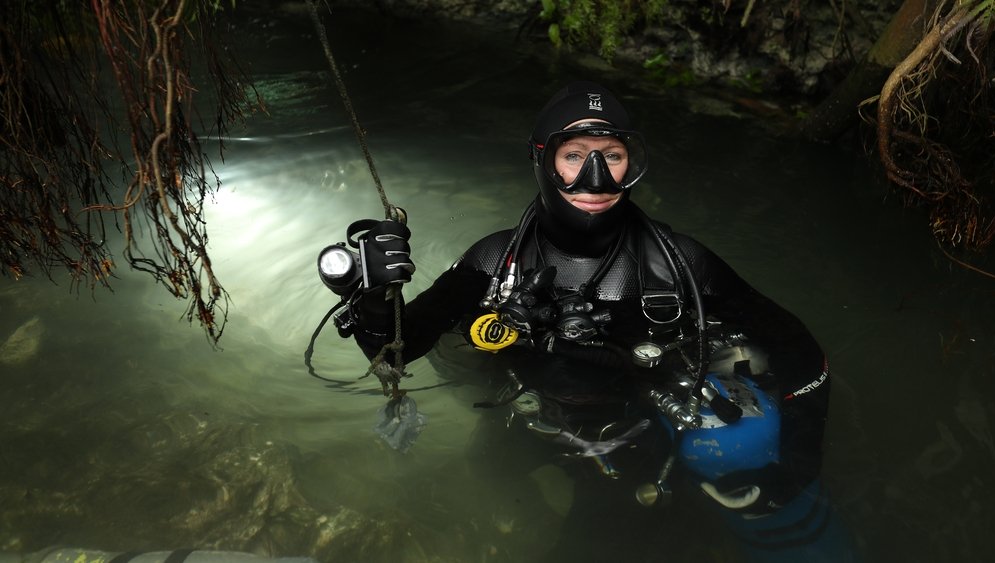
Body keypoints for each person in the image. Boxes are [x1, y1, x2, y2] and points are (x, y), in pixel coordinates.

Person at [318, 81, 840, 560]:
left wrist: (797, 467)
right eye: (574, 156)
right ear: (541, 160)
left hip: (635, 436)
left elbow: (801, 354)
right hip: (528, 416)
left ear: (632, 163)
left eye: (611, 156)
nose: (596, 178)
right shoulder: (495, 260)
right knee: (480, 484)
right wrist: (375, 299)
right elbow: (395, 353)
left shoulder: (682, 264)